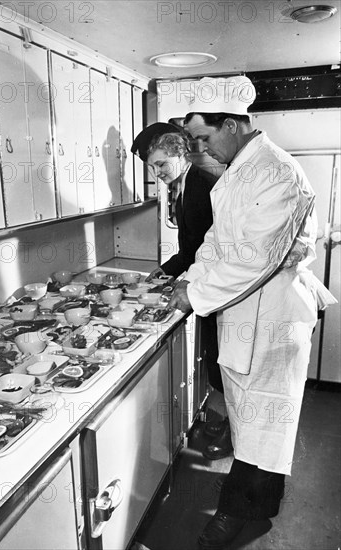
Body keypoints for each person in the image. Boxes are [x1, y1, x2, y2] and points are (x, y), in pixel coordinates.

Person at [169, 75, 336, 550]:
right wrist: (190, 280)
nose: (200, 149)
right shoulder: (241, 172)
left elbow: (253, 258)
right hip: (247, 314)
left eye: (204, 137)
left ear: (235, 125)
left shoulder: (276, 172)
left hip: (275, 317)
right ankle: (257, 504)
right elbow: (219, 245)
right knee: (252, 419)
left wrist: (194, 297)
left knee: (267, 422)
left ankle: (241, 516)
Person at [131, 123, 232, 459]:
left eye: (161, 164)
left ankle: (234, 435)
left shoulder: (203, 187)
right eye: (152, 167)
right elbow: (191, 246)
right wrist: (167, 270)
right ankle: (230, 424)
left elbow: (208, 249)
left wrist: (183, 278)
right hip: (200, 282)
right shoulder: (184, 184)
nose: (157, 173)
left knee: (222, 363)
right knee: (217, 362)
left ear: (180, 155)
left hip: (214, 288)